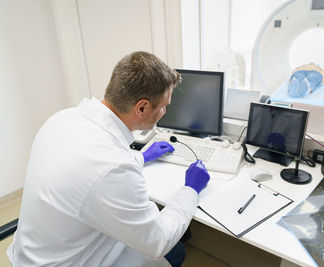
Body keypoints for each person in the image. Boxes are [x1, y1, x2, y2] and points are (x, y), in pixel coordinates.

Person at [7, 51, 211, 266]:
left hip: (39, 251)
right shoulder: (113, 167)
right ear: (142, 107)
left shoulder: (62, 119)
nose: (165, 111)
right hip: (70, 261)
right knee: (174, 251)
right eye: (164, 105)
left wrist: (142, 157)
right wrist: (191, 189)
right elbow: (157, 241)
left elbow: (87, 172)